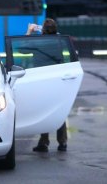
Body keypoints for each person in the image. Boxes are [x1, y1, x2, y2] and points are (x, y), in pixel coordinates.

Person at [26, 18, 68, 152]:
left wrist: (30, 31)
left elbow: (23, 49)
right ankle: (62, 142)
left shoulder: (38, 41)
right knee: (59, 111)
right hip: (58, 81)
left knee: (45, 111)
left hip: (42, 81)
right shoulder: (59, 40)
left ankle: (44, 143)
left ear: (42, 29)